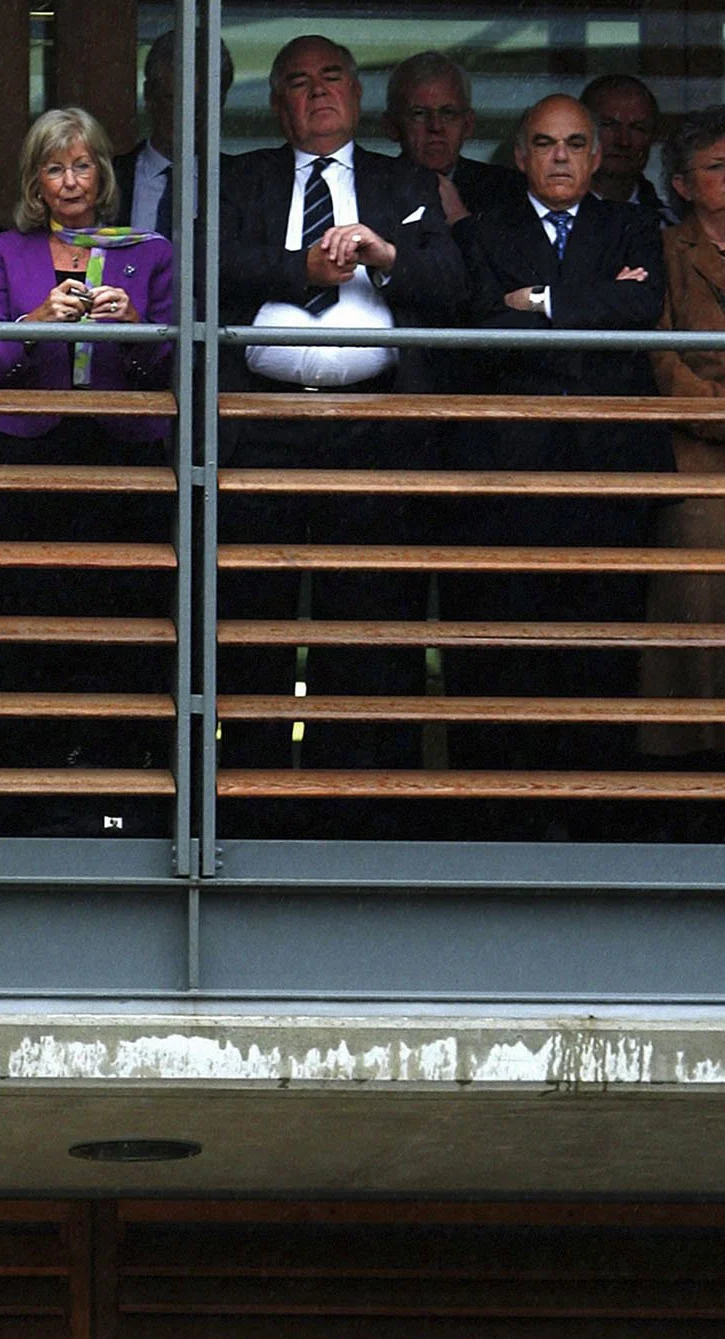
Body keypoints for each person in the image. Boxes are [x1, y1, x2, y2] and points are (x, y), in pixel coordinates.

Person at [215, 34, 467, 795]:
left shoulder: (405, 181)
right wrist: (301, 268)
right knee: (250, 625)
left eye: (331, 79)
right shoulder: (241, 176)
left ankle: (358, 813)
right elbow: (205, 264)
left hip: (376, 431)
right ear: (275, 104)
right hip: (259, 429)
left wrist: (385, 256)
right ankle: (249, 805)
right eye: (297, 81)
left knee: (367, 627)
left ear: (357, 98)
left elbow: (454, 285)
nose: (317, 92)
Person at [447, 96, 667, 809]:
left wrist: (537, 302)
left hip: (610, 468)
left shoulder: (633, 224)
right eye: (545, 144)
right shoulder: (483, 231)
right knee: (512, 641)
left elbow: (639, 308)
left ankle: (595, 806)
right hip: (513, 467)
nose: (562, 157)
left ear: (598, 157)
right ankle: (507, 810)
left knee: (602, 641)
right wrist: (590, 299)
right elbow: (476, 323)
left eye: (576, 143)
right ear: (520, 157)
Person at [0, 106, 173, 822]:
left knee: (118, 620)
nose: (69, 180)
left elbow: (170, 364)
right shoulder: (3, 252)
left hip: (121, 451)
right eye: (54, 167)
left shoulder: (149, 251)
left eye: (81, 164)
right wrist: (35, 323)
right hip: (31, 451)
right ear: (35, 180)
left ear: (102, 174)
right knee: (36, 617)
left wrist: (134, 328)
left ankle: (116, 791)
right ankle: (37, 786)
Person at [640, 107, 725, 767]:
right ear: (682, 186)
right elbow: (659, 358)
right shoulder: (661, 251)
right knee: (694, 568)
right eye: (717, 168)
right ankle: (686, 768)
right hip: (695, 456)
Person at [112, 27, 235, 241]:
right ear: (150, 96)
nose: (188, 114)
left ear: (220, 103)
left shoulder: (240, 185)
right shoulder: (111, 178)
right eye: (175, 99)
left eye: (200, 102)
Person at [384, 50, 522, 224]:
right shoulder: (370, 189)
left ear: (468, 124)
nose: (435, 126)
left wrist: (460, 220)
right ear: (391, 126)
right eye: (419, 114)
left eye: (448, 113)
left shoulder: (506, 190)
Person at [580, 73, 673, 222]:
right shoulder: (547, 218)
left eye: (637, 128)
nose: (623, 141)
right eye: (609, 125)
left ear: (652, 136)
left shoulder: (670, 226)